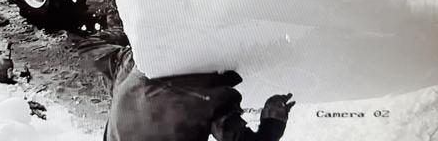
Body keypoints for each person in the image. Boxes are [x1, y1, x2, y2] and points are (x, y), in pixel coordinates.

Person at [76, 28, 295, 141]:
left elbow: (88, 47)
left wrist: (273, 123)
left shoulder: (205, 102)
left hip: (205, 56)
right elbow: (88, 47)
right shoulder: (126, 68)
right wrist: (132, 32)